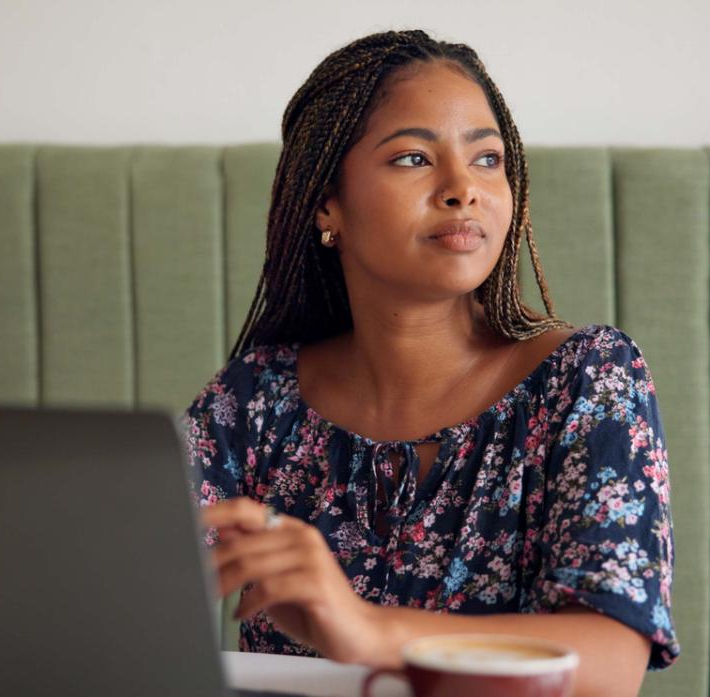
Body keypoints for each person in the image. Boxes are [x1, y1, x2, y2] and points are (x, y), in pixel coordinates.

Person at [181, 29, 677, 697]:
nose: (462, 188)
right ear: (328, 201)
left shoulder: (587, 379)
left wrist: (365, 628)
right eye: (414, 158)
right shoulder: (254, 401)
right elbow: (119, 573)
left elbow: (611, 663)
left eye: (487, 158)